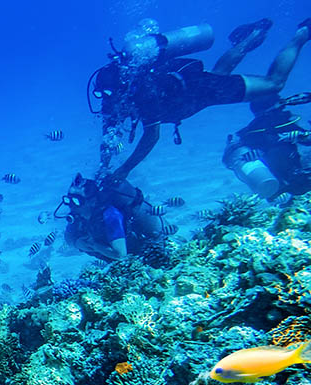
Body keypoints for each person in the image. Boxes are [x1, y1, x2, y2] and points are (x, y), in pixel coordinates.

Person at [94, 19, 310, 183]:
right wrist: (103, 167)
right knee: (219, 72)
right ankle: (253, 35)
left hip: (201, 90)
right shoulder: (112, 98)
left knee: (274, 84)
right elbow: (108, 135)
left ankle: (301, 34)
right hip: (193, 95)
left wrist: (125, 169)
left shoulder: (143, 92)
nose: (115, 107)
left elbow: (152, 136)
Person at [223, 92, 311, 199]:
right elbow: (307, 140)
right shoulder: (281, 123)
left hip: (274, 185)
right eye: (281, 104)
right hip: (297, 177)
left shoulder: (250, 130)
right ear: (274, 107)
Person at [57, 174, 163, 262]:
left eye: (76, 201)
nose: (71, 205)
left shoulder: (110, 216)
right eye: (68, 200)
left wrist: (94, 245)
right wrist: (77, 243)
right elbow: (69, 237)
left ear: (92, 201)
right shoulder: (78, 215)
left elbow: (121, 254)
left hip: (141, 254)